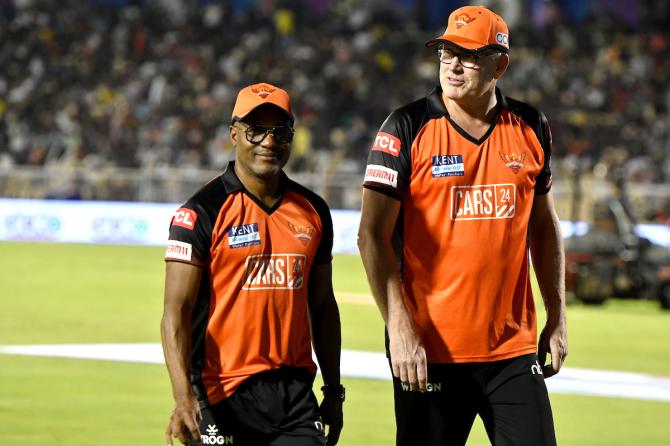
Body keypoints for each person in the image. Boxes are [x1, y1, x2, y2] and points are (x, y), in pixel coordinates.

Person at [357, 5, 567, 446]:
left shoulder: (531, 126)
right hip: (428, 351)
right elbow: (370, 236)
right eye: (447, 51)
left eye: (469, 54)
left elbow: (544, 228)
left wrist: (557, 316)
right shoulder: (406, 126)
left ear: (500, 64)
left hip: (512, 350)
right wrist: (398, 328)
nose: (453, 63)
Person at [161, 83, 344, 446]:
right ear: (234, 134)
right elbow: (175, 313)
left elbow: (322, 307)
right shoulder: (200, 213)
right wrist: (183, 397)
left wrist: (334, 390)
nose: (268, 141)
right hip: (220, 395)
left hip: (295, 399)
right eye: (255, 129)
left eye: (280, 131)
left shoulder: (313, 211)